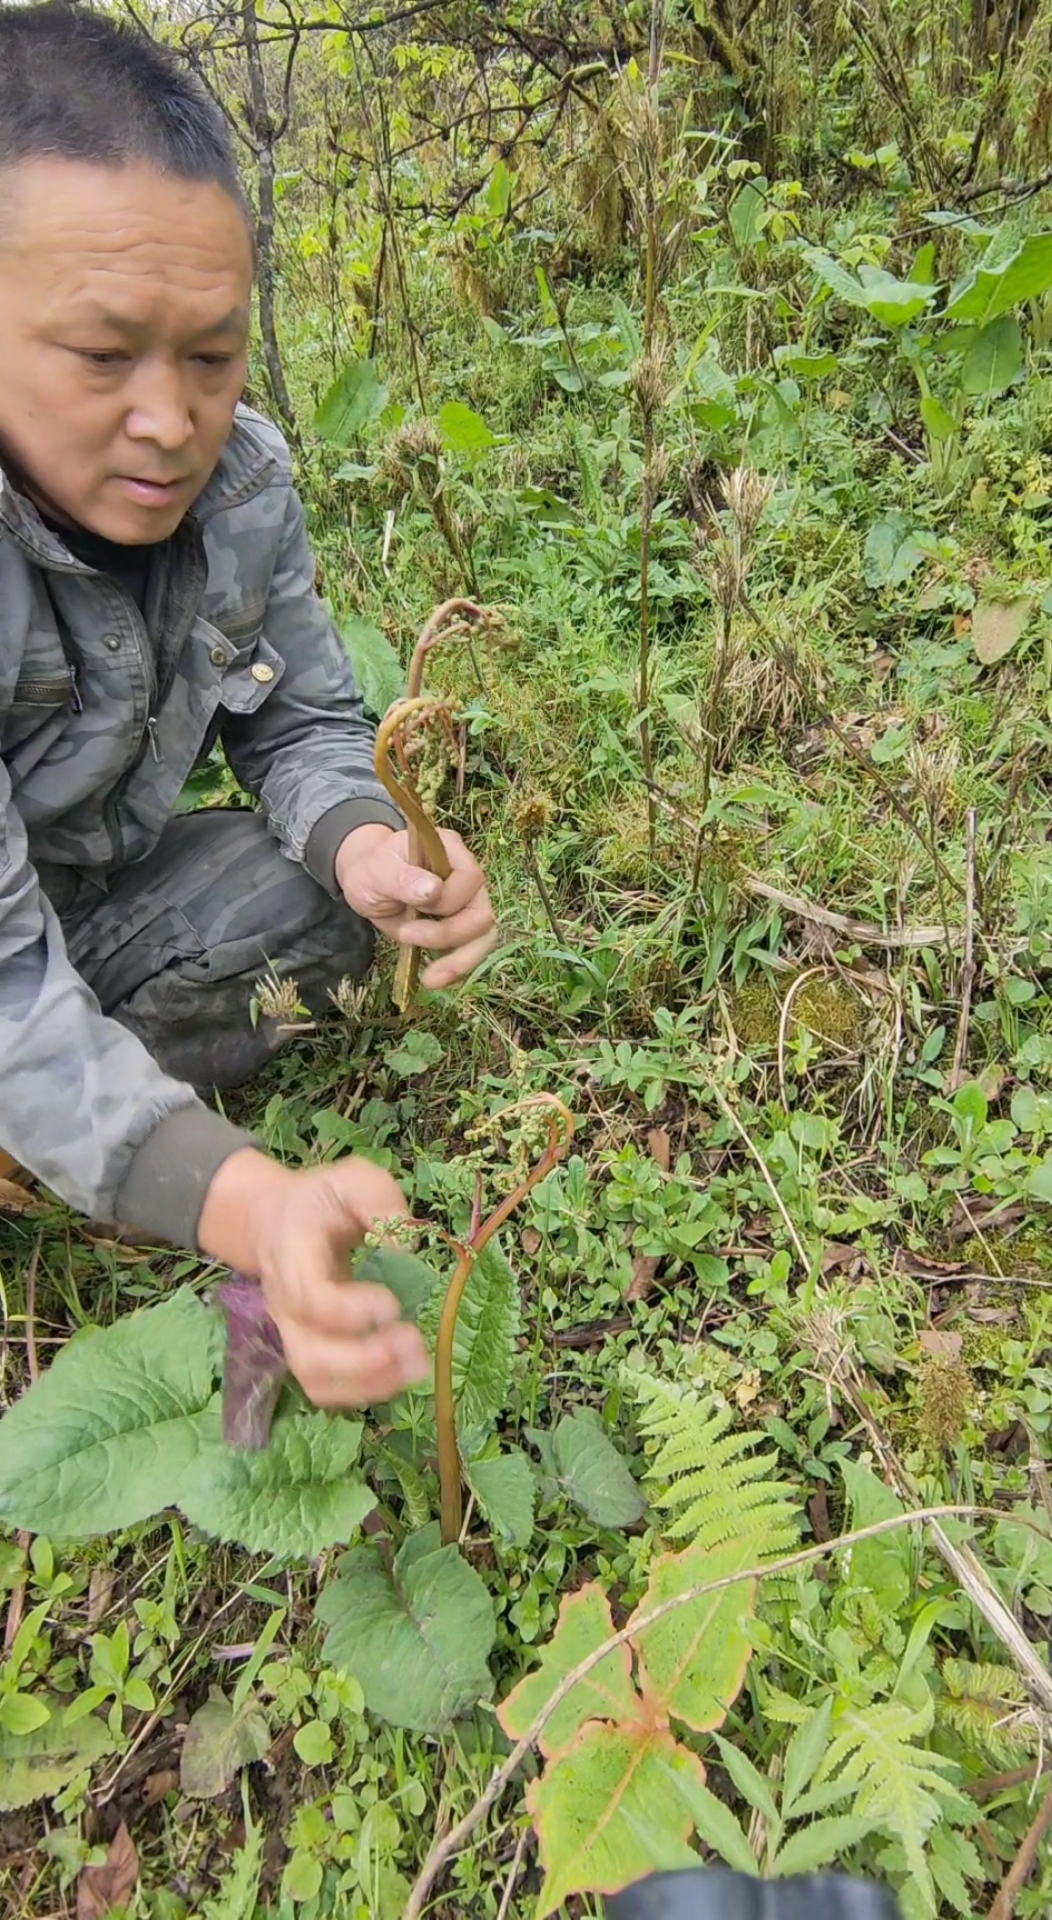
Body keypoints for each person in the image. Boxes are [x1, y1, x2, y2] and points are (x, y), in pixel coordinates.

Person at [0, 3, 497, 1412]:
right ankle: (74, 1118)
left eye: (212, 357)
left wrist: (370, 848)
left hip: (78, 894)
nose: (170, 419)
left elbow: (297, 722)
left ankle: (65, 1115)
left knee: (331, 911)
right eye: (102, 356)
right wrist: (248, 1203)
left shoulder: (244, 485)